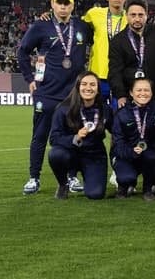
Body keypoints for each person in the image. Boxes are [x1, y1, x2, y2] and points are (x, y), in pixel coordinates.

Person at [17, 0, 93, 195]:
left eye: (66, 3)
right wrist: (29, 79)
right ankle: (34, 178)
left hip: (72, 94)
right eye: (59, 3)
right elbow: (22, 52)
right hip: (46, 93)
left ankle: (71, 177)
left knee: (73, 135)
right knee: (40, 136)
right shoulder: (40, 26)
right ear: (52, 4)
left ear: (73, 5)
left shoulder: (82, 26)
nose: (63, 7)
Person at [47, 71, 111, 200]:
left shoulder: (105, 110)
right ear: (78, 87)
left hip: (94, 155)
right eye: (84, 84)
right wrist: (75, 138)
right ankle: (63, 184)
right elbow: (54, 138)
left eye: (93, 85)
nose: (88, 88)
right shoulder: (63, 109)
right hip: (71, 153)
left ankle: (90, 176)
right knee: (56, 154)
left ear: (98, 89)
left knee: (95, 194)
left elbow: (118, 131)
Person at [108, 0, 155, 108]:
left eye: (140, 15)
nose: (137, 19)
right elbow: (115, 71)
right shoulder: (118, 41)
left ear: (146, 15)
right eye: (133, 15)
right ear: (126, 16)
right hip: (130, 96)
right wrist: (121, 95)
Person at [80, 0, 128, 109]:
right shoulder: (94, 14)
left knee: (119, 120)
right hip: (98, 76)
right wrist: (51, 15)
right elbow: (75, 25)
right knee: (94, 117)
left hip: (120, 77)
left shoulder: (130, 18)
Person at [111, 77, 155, 200]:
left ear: (151, 92)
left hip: (147, 153)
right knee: (127, 177)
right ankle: (123, 185)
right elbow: (117, 143)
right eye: (139, 90)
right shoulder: (121, 113)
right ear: (131, 92)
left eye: (146, 90)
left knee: (152, 157)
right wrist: (131, 151)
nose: (143, 93)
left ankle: (147, 189)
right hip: (126, 154)